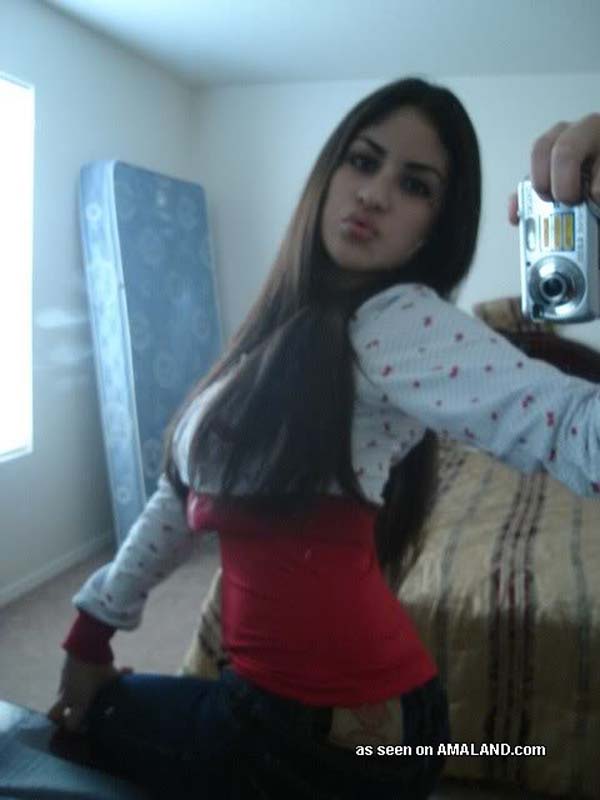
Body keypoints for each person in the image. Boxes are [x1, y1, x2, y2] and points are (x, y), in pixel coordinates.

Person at [48, 78, 600, 799]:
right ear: (328, 173)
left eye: (414, 185)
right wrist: (91, 632)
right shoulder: (279, 330)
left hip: (318, 730)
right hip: (372, 715)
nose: (374, 194)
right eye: (363, 162)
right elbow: (180, 492)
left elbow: (571, 428)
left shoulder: (396, 322)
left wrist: (91, 643)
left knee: (84, 730)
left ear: (433, 227)